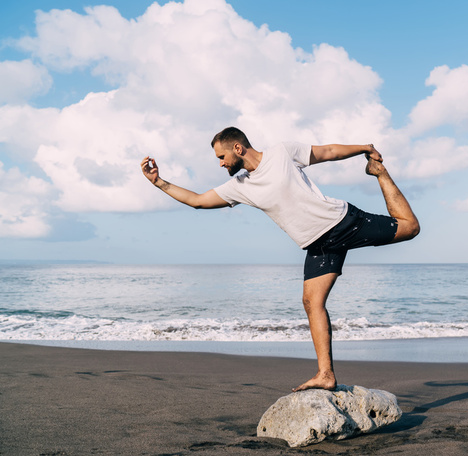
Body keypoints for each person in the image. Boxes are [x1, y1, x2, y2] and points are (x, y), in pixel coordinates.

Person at [140, 127, 420, 391]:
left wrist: (363, 149)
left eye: (222, 157)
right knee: (311, 302)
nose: (221, 164)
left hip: (341, 222)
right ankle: (326, 375)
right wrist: (158, 182)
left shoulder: (282, 153)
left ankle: (380, 174)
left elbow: (329, 152)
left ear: (238, 148)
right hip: (318, 245)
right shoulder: (239, 186)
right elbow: (198, 201)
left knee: (409, 228)